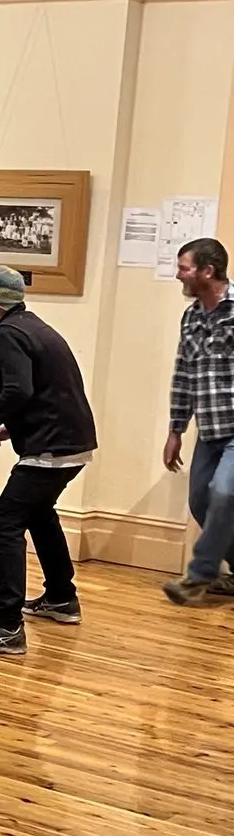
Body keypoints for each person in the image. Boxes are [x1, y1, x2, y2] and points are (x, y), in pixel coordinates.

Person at [0, 265, 97, 656]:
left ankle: (5, 626)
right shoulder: (32, 327)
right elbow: (41, 395)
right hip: (72, 441)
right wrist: (2, 433)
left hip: (52, 445)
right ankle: (62, 597)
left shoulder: (8, 335)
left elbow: (18, 391)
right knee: (37, 512)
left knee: (3, 522)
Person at [162, 237, 234, 605]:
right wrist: (176, 429)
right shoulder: (191, 316)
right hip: (210, 429)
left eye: (184, 267)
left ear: (208, 271)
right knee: (201, 500)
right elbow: (185, 374)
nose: (179, 275)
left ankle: (199, 575)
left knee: (225, 492)